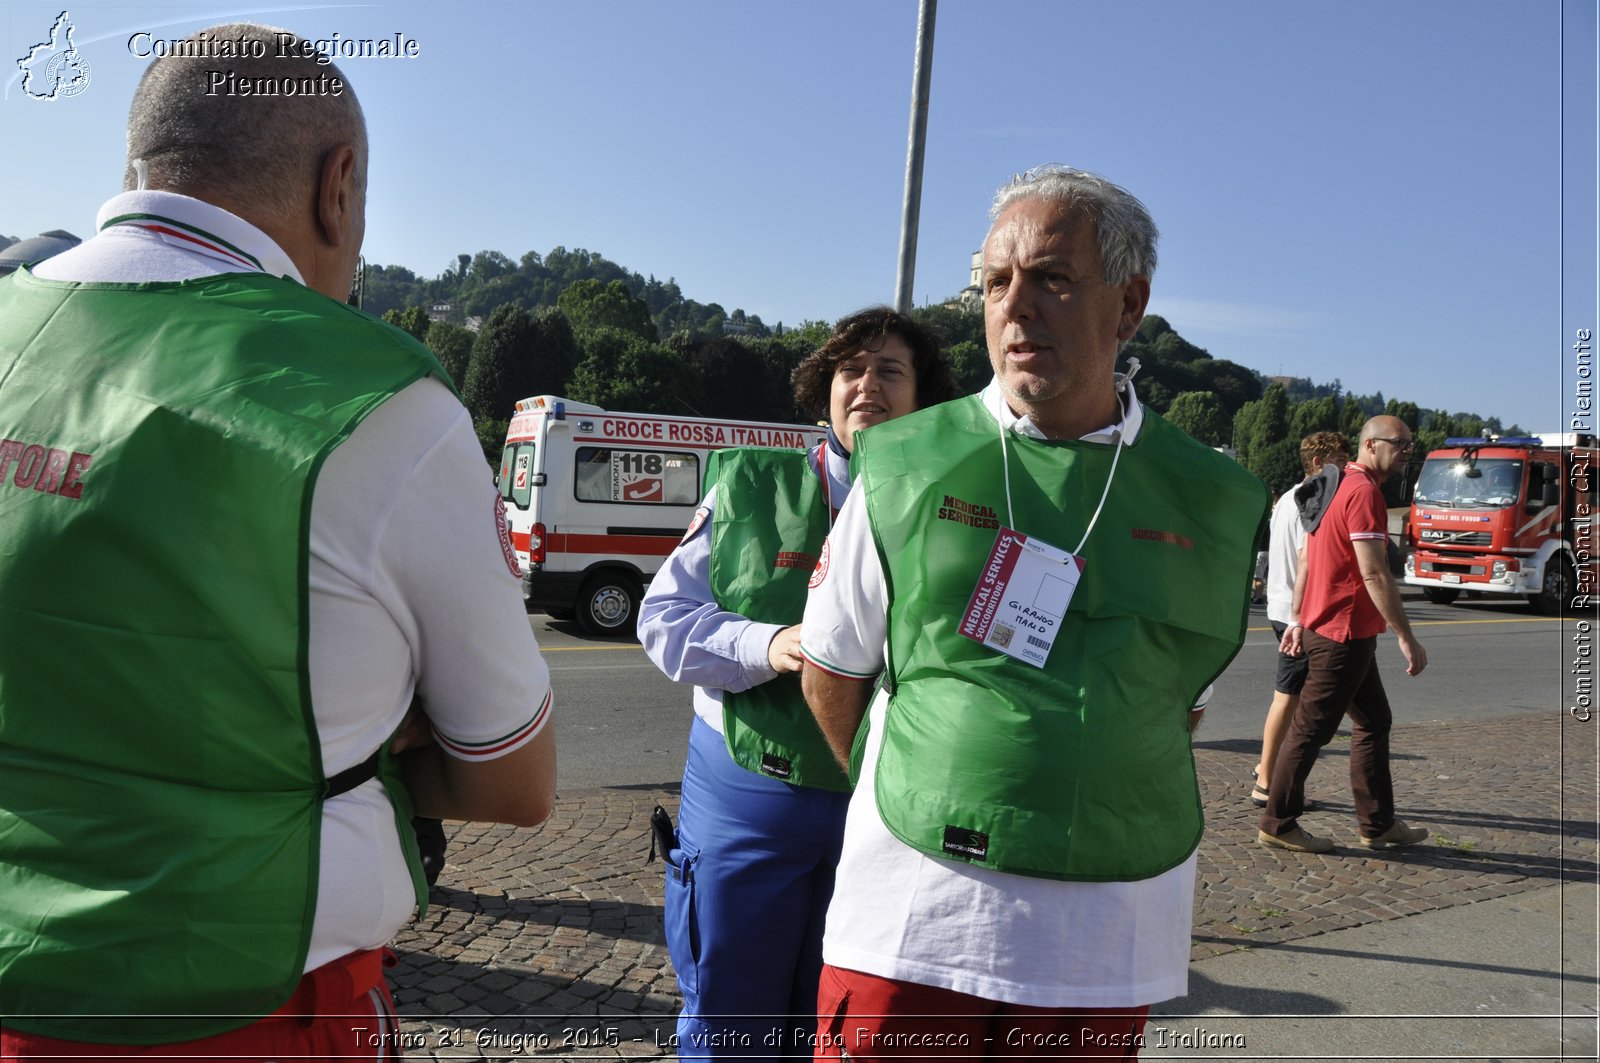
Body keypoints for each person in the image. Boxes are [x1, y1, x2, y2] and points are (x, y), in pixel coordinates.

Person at [0, 25, 556, 1055]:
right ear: (337, 186)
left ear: (137, 165)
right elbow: (512, 779)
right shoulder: (376, 392)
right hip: (241, 998)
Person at [799, 166, 1267, 1060]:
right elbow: (832, 666)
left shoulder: (1210, 496)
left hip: (1103, 936)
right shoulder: (904, 464)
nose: (1017, 308)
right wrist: (922, 774)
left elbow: (1176, 700)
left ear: (1129, 305)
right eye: (996, 282)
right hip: (912, 917)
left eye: (1052, 278)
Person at [638, 307, 955, 1059]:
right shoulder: (752, 482)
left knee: (840, 1018)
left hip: (880, 804)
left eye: (890, 370)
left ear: (922, 395)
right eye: (852, 368)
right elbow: (663, 620)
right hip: (747, 792)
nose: (868, 384)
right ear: (825, 388)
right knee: (730, 1013)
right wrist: (768, 642)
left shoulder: (949, 503)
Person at [1258, 415, 1429, 853]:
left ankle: (1377, 823)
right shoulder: (1363, 491)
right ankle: (1277, 823)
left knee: (1373, 721)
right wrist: (1406, 635)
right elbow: (1374, 572)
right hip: (1343, 632)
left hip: (1330, 627)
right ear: (1370, 444)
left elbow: (1309, 561)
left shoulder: (1332, 484)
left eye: (1411, 446)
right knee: (1311, 729)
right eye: (1401, 445)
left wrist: (1298, 619)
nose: (1407, 453)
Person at [1250, 431, 1351, 806]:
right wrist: (1300, 618)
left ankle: (1269, 773)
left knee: (1292, 699)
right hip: (1299, 613)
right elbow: (1307, 561)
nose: (1346, 466)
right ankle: (1266, 780)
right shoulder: (1312, 500)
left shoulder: (1289, 499)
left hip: (1286, 608)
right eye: (1340, 459)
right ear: (1317, 463)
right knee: (1291, 700)